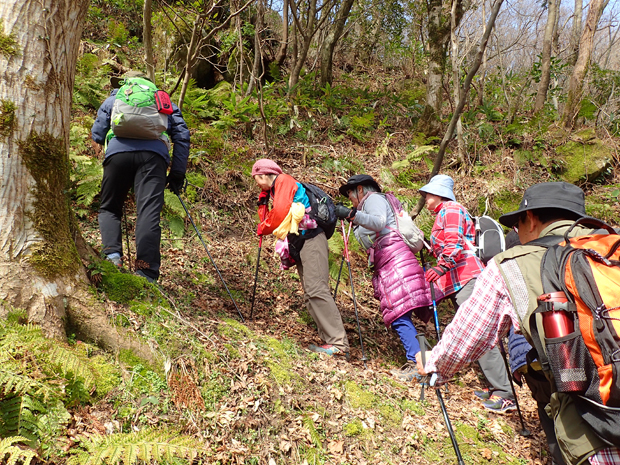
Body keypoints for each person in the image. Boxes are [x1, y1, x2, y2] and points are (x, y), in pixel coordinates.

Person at [420, 181, 620, 464]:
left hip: (594, 424)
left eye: (518, 224)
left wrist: (433, 363)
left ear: (531, 218)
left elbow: (468, 337)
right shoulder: (612, 248)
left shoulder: (513, 263)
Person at [419, 174, 515, 413]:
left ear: (439, 194)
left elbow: (455, 245)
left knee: (480, 333)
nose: (426, 199)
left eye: (428, 194)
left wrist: (440, 267)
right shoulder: (447, 212)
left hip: (467, 278)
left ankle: (505, 393)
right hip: (460, 280)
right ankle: (497, 389)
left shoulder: (450, 209)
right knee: (479, 333)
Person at [91, 70, 190, 283]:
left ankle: (112, 258)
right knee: (147, 213)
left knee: (109, 207)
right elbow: (182, 135)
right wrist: (177, 174)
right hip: (154, 158)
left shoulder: (116, 96)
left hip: (118, 154)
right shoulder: (161, 99)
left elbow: (98, 133)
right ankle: (145, 272)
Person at [336, 175, 432, 381]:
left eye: (350, 194)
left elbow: (379, 223)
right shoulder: (367, 206)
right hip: (391, 260)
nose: (350, 199)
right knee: (400, 311)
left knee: (397, 313)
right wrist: (354, 219)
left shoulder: (373, 199)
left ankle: (417, 363)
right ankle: (422, 359)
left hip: (394, 259)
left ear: (359, 190)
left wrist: (353, 215)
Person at [252, 159, 350, 357]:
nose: (255, 183)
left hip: (312, 239)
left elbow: (279, 213)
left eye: (255, 178)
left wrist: (263, 228)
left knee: (317, 289)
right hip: (303, 241)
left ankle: (338, 343)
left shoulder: (284, 181)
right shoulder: (274, 190)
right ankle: (330, 342)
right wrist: (263, 202)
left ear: (263, 174)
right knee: (310, 292)